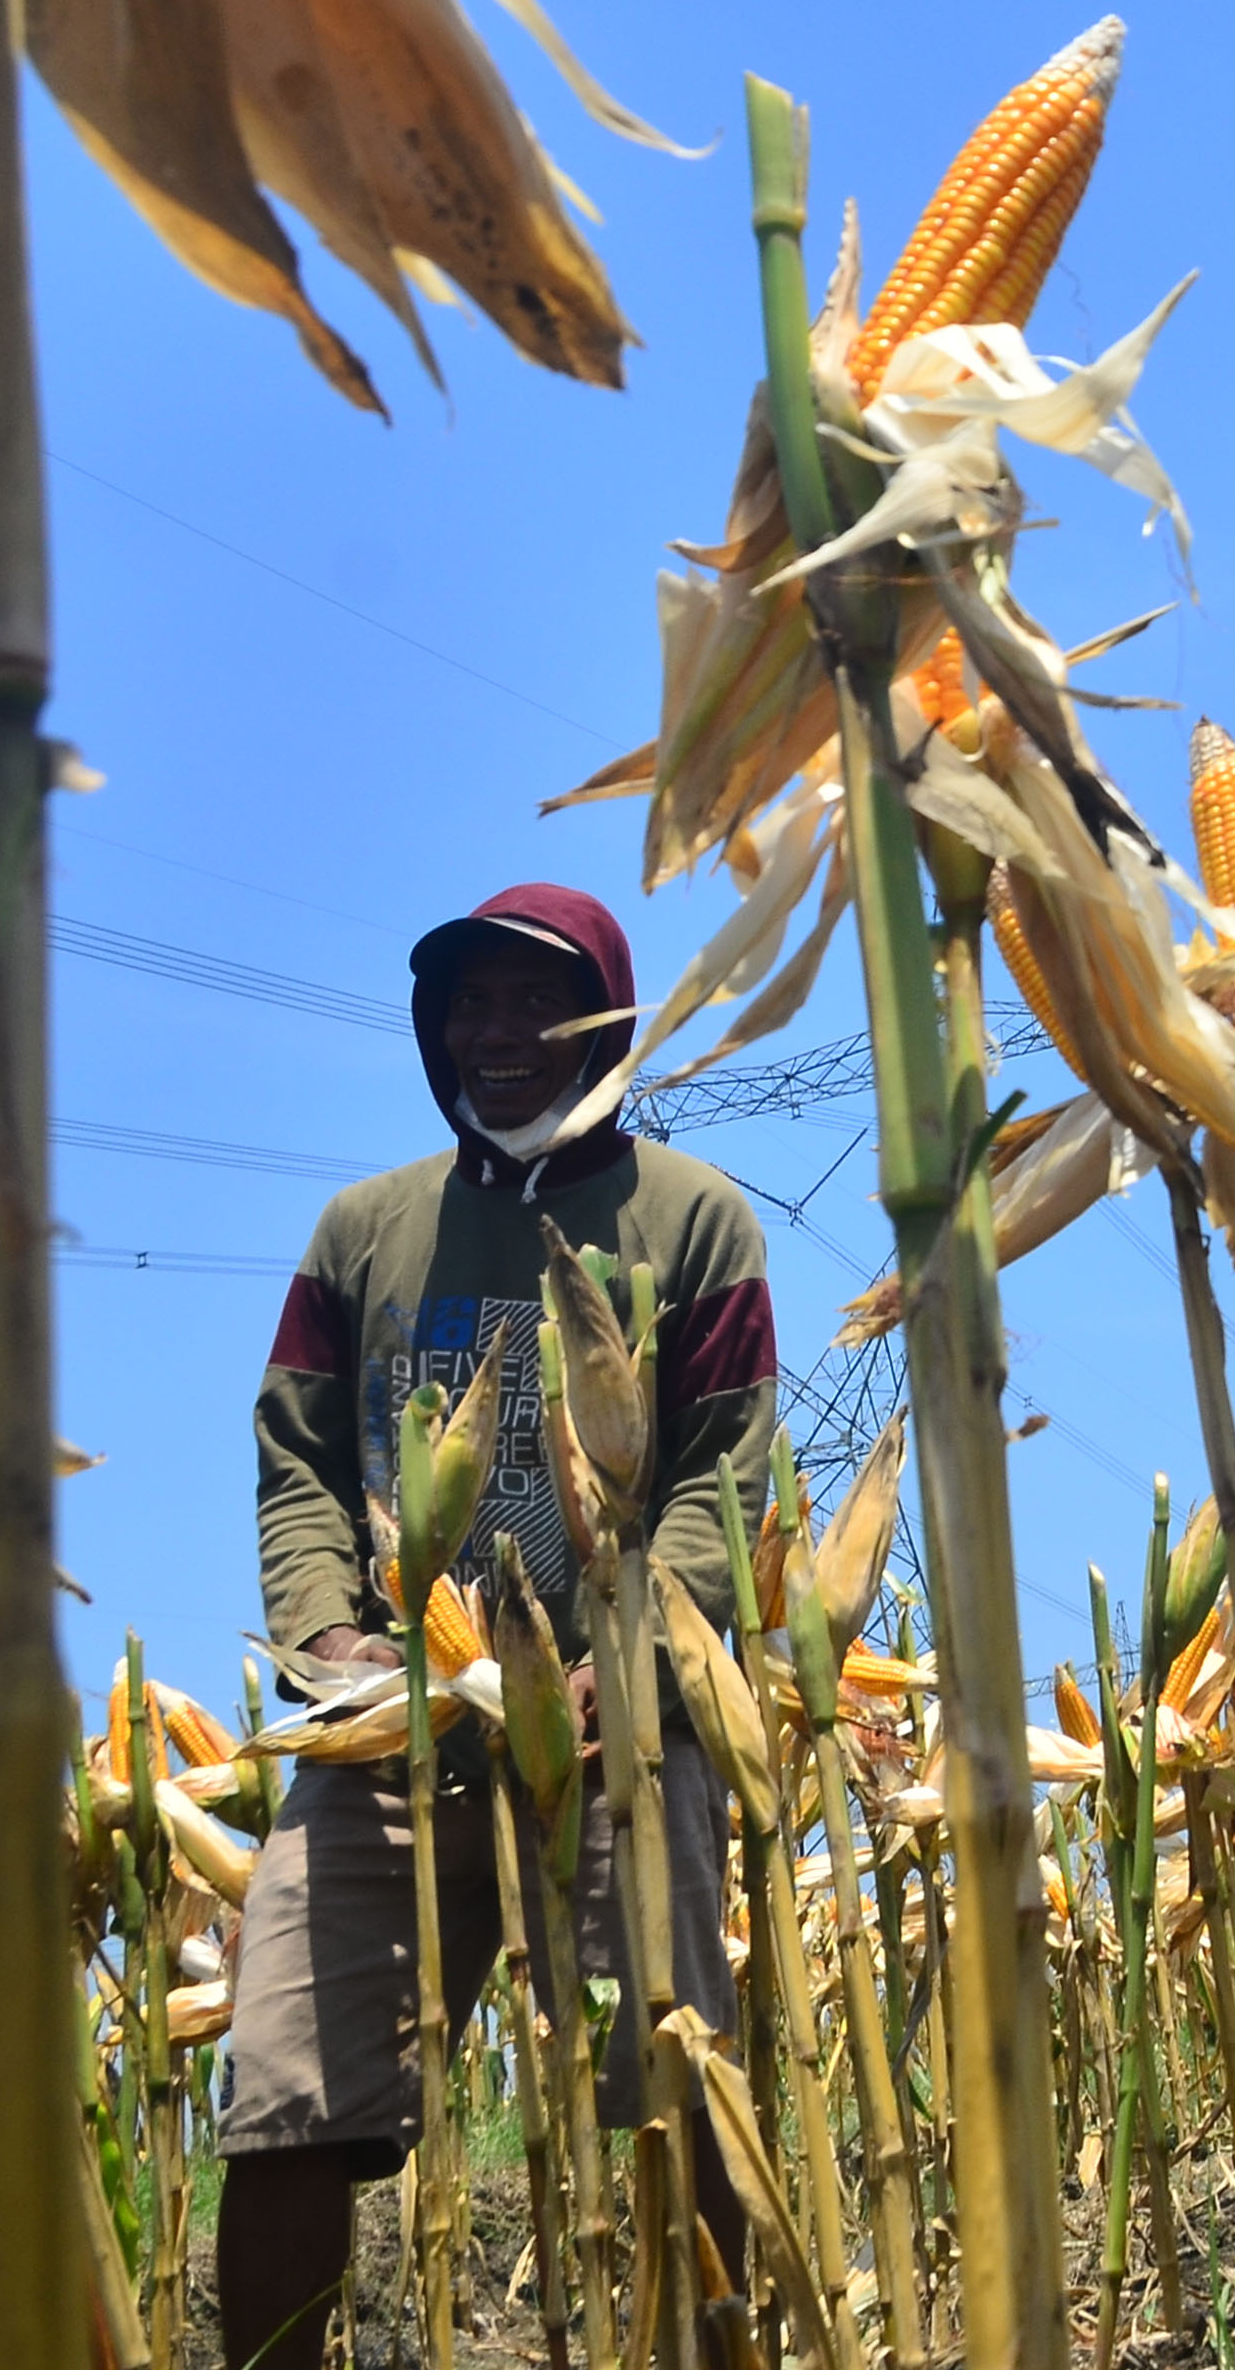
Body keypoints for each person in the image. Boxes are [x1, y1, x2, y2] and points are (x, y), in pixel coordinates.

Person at [217, 884, 778, 2370]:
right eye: (469, 1002)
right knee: (284, 2095)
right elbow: (300, 1457)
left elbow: (725, 1472)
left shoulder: (695, 1222)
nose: (498, 1032)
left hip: (622, 1733)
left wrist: (631, 1654)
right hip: (388, 1735)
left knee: (671, 2076)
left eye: (538, 999)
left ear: (608, 1018)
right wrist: (331, 1640)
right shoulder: (364, 1231)